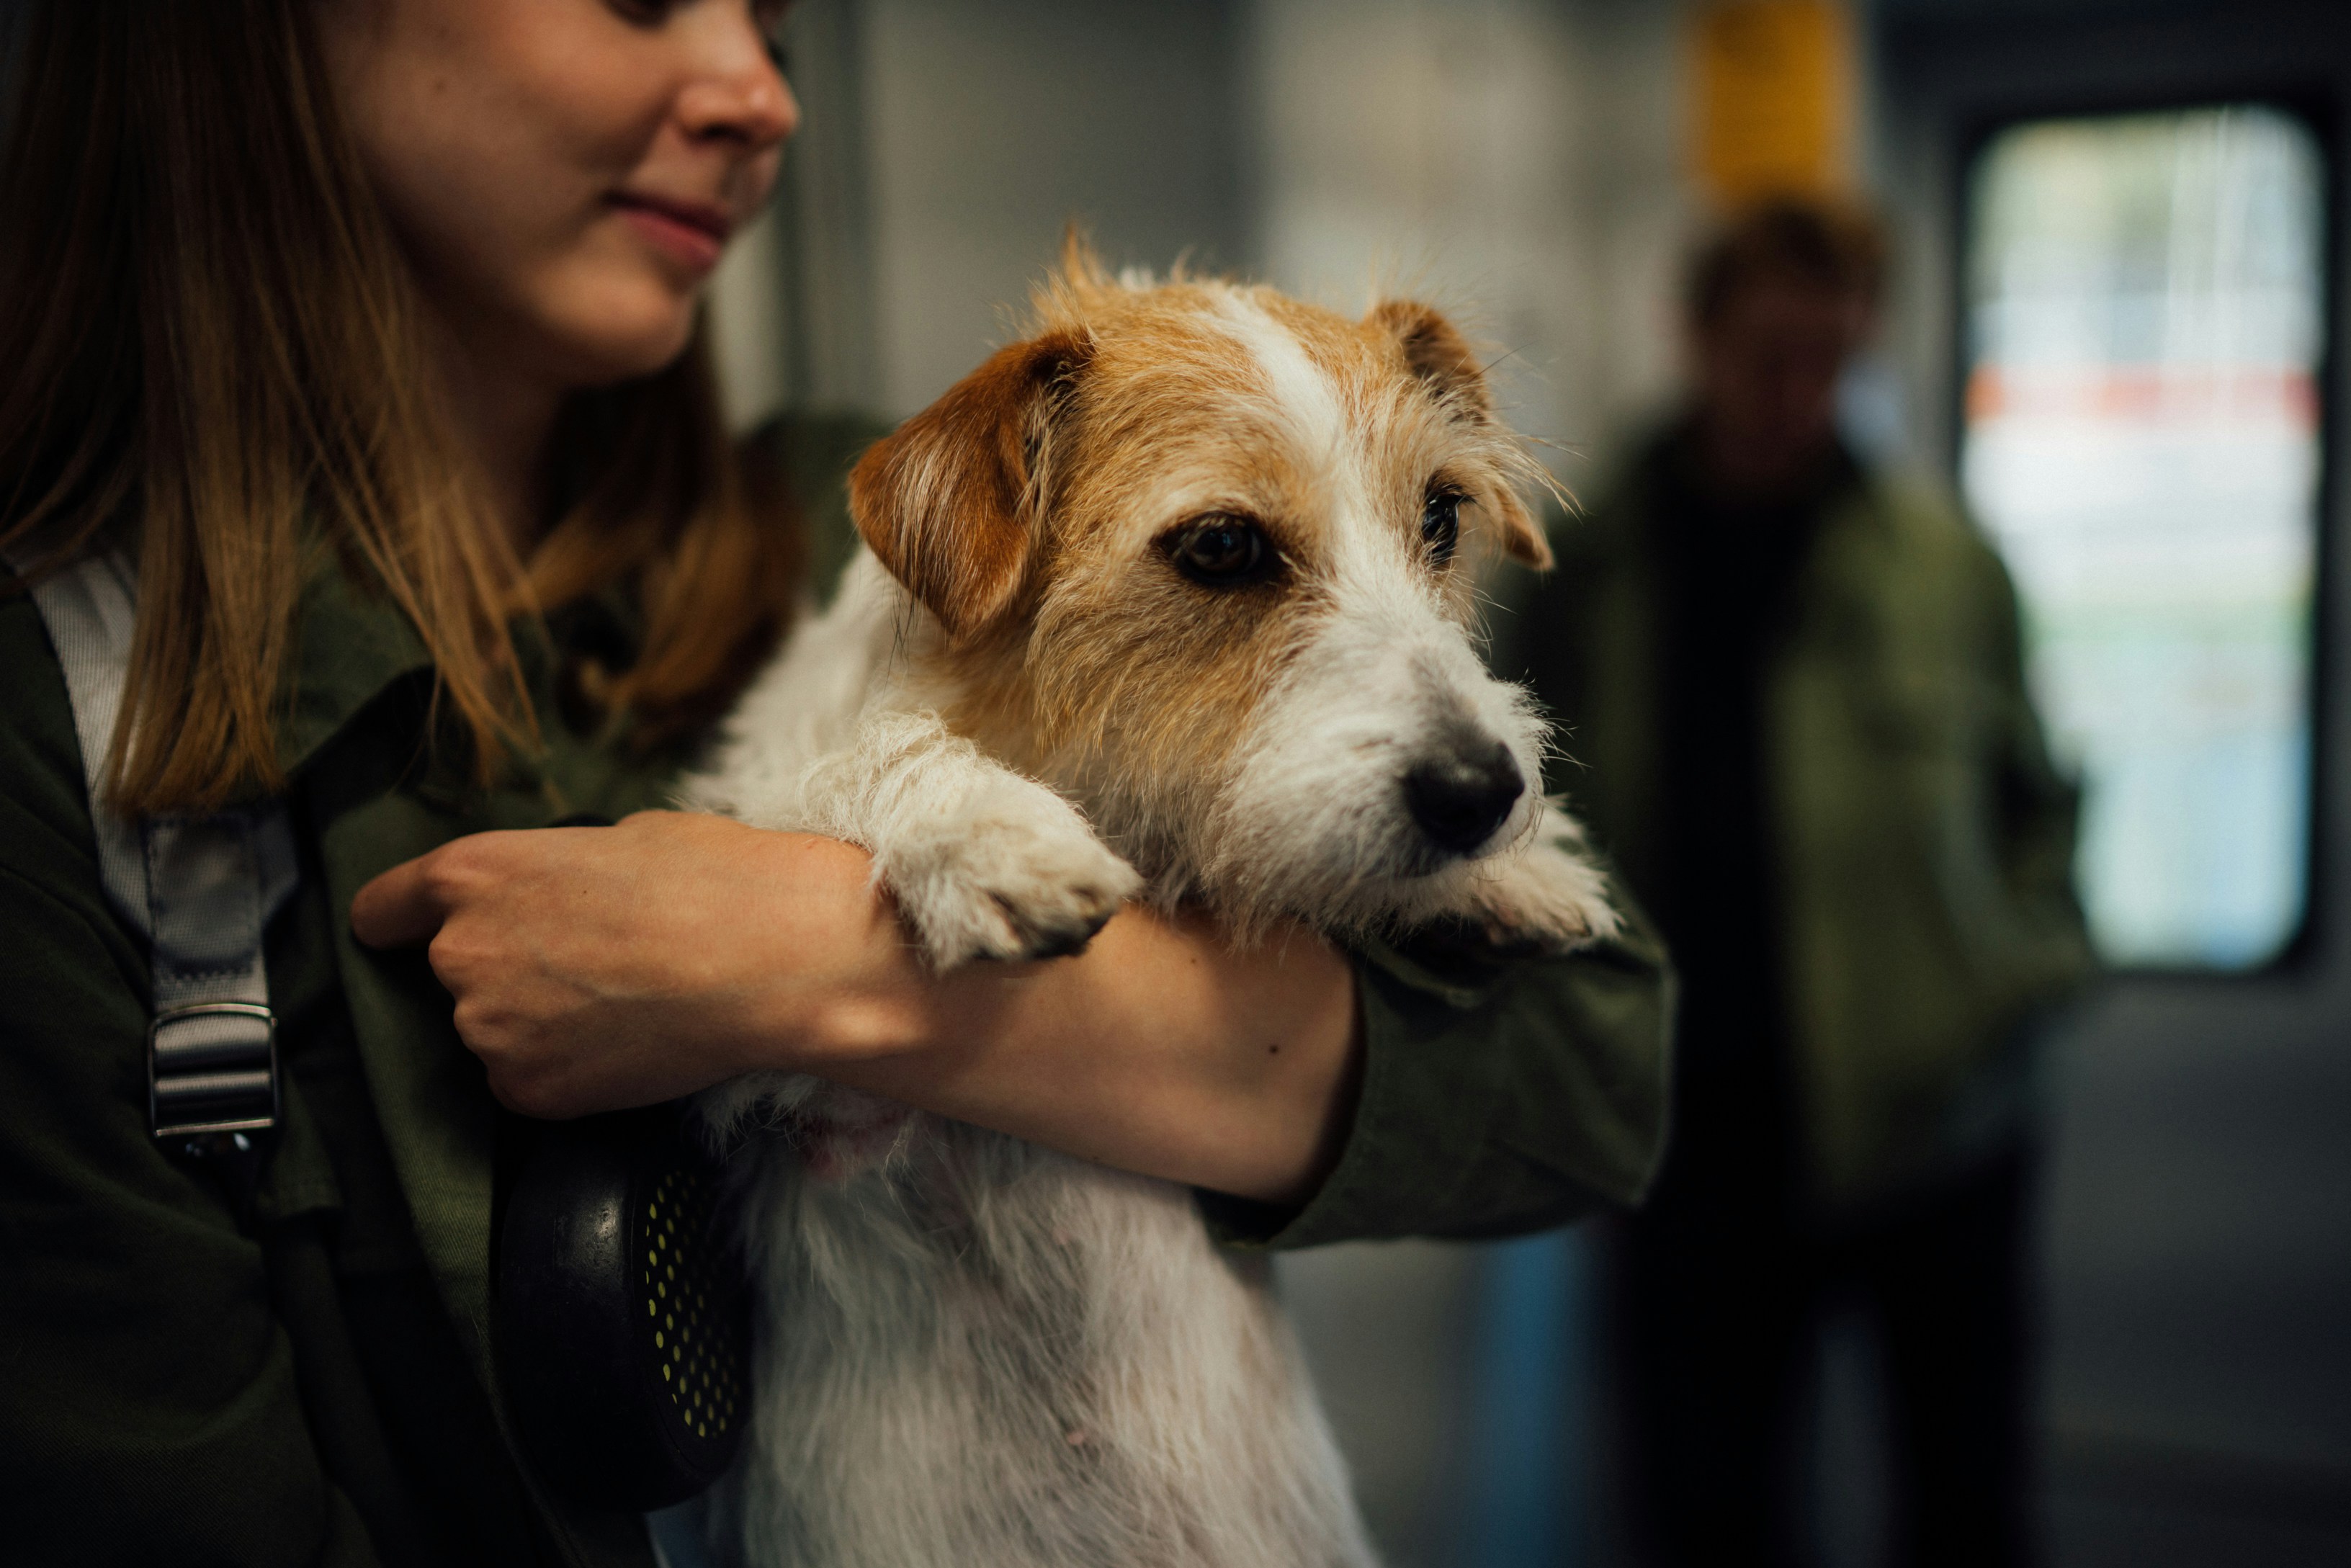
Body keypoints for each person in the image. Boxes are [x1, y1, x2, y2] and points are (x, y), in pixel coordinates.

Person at [0, 3, 1671, 1564]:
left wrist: (820, 968)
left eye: (780, 23)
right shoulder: (67, 719)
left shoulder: (852, 548)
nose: (762, 94)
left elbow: (1594, 1062)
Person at [1495, 199, 2094, 1568]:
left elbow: (2039, 807)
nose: (1797, 393)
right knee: (1704, 1513)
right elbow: (1516, 812)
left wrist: (2020, 982)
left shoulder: (1945, 567)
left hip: (1935, 1126)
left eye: (1831, 359)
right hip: (1688, 1134)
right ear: (1697, 336)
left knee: (1967, 1503)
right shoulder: (1592, 566)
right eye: (1769, 353)